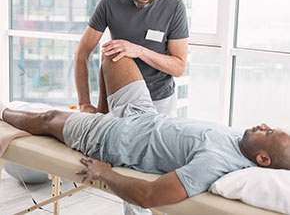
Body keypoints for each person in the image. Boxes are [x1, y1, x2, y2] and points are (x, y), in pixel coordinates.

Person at [1, 55, 290, 209]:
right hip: (143, 113)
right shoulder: (240, 139)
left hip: (110, 136)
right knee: (116, 54)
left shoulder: (216, 164)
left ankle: (2, 111)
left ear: (263, 160)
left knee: (49, 117)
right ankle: (103, 108)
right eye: (269, 127)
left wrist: (105, 173)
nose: (262, 126)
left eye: (267, 133)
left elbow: (149, 196)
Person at [74, 0, 189, 117]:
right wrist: (84, 103)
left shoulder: (175, 7)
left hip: (160, 101)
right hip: (121, 97)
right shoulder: (110, 2)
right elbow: (82, 53)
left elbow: (179, 67)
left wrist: (139, 51)